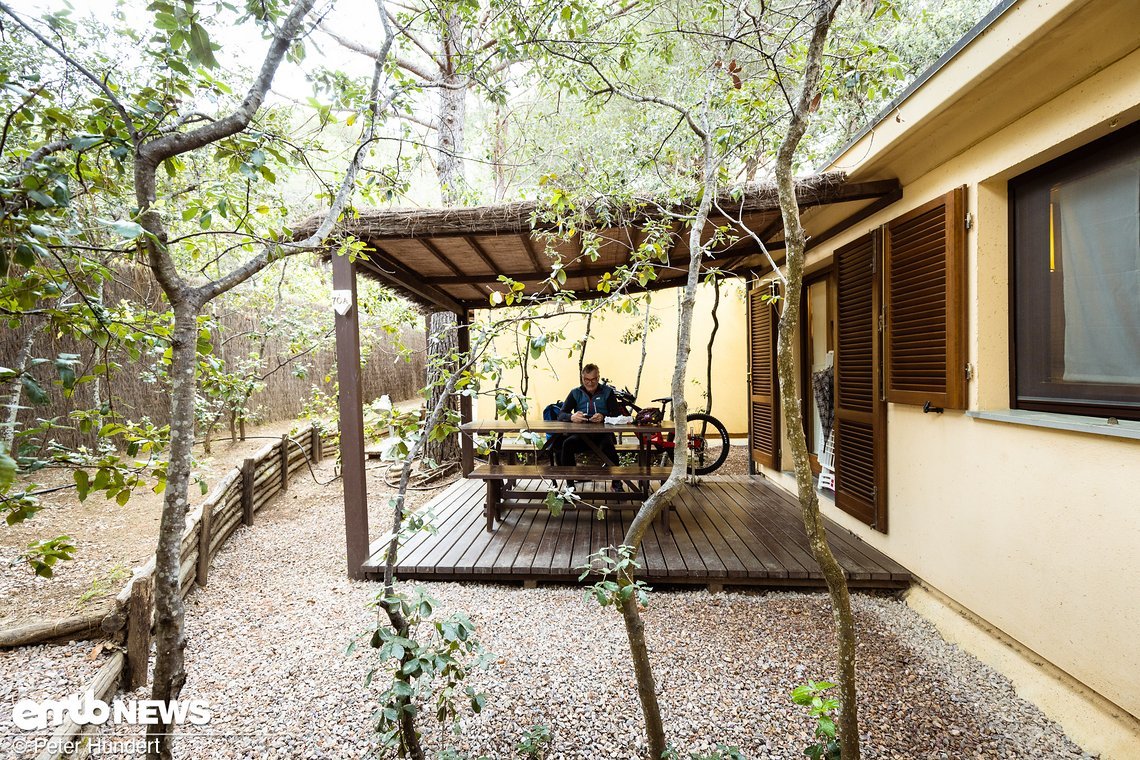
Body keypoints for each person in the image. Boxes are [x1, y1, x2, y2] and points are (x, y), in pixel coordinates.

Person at [556, 363, 622, 490]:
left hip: (602, 435)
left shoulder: (607, 392)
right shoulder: (575, 393)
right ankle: (570, 485)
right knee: (567, 445)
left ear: (598, 378)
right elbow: (561, 414)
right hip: (581, 436)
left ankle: (616, 483)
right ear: (582, 378)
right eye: (587, 379)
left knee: (609, 448)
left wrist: (603, 416)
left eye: (593, 379)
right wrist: (572, 417)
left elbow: (616, 414)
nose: (590, 383)